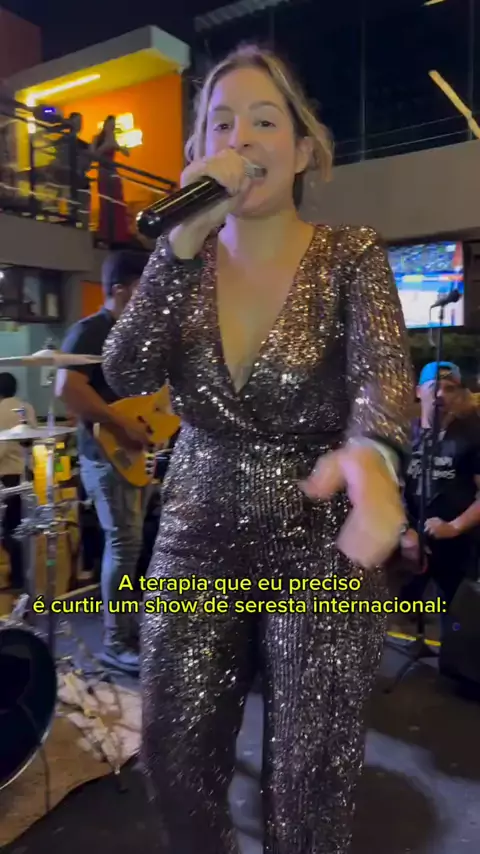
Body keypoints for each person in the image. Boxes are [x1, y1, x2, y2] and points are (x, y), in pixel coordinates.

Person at [101, 45, 414, 854]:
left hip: (321, 537)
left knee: (309, 781)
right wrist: (176, 248)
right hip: (197, 526)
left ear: (304, 150)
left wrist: (374, 456)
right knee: (175, 758)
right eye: (221, 123)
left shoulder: (350, 253)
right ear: (197, 151)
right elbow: (124, 369)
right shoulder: (186, 262)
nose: (239, 138)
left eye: (264, 122)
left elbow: (384, 374)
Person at [56, 250, 151, 674]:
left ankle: (128, 631)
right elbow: (67, 387)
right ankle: (116, 642)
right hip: (104, 453)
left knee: (132, 546)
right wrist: (121, 423)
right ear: (120, 289)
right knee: (124, 544)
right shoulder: (90, 330)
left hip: (130, 452)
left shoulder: (130, 334)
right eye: (143, 287)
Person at [401, 361, 480, 636]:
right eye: (434, 387)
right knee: (400, 613)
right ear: (418, 391)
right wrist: (404, 532)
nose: (441, 395)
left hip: (457, 548)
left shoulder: (473, 435)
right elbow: (385, 490)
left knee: (457, 622)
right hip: (407, 545)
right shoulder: (402, 435)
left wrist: (455, 526)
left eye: (450, 388)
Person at [0, 373, 36, 592]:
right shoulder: (26, 407)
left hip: (6, 476)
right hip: (26, 474)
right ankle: (24, 574)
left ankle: (17, 579)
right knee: (23, 526)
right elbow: (31, 440)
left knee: (9, 529)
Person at [90, 115, 130, 247]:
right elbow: (93, 156)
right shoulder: (97, 138)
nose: (111, 128)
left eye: (113, 125)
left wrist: (121, 147)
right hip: (103, 172)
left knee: (117, 202)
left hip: (113, 172)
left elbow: (126, 153)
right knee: (105, 203)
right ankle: (106, 235)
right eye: (110, 125)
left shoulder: (113, 138)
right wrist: (106, 146)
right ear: (105, 125)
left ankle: (118, 236)